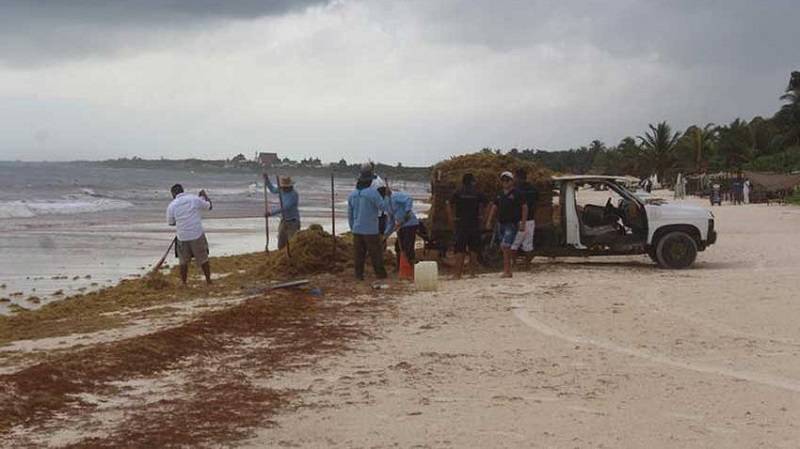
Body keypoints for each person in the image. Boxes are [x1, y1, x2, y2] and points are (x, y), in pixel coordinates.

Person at [166, 184, 213, 286]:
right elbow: (209, 206)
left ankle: (184, 282)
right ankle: (208, 280)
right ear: (183, 190)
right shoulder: (193, 199)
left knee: (183, 261)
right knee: (203, 258)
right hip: (196, 234)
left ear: (173, 194)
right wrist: (204, 196)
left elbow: (171, 223)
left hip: (182, 236)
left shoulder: (172, 205)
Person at [485, 171, 527, 278]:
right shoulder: (499, 194)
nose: (505, 182)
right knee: (504, 247)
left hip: (511, 223)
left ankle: (507, 270)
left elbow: (524, 208)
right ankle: (508, 269)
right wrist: (489, 221)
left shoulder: (517, 193)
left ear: (512, 181)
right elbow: (494, 208)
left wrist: (523, 223)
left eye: (507, 180)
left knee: (505, 246)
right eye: (503, 180)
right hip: (501, 223)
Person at [348, 171, 388, 280]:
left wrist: (352, 227)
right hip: (371, 229)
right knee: (376, 253)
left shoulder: (352, 195)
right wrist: (387, 196)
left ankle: (359, 275)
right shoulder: (372, 193)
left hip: (357, 229)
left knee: (359, 255)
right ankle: (380, 275)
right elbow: (383, 207)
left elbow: (350, 215)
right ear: (369, 182)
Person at [447, 173, 487, 279]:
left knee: (460, 249)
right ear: (472, 181)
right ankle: (472, 273)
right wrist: (483, 216)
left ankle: (457, 274)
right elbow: (489, 202)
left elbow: (448, 203)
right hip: (474, 223)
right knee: (473, 249)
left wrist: (451, 217)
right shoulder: (477, 192)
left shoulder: (458, 192)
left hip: (461, 223)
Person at [383, 187, 420, 268]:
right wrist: (385, 235)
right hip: (401, 225)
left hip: (410, 224)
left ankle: (410, 266)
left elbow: (408, 199)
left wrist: (407, 211)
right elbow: (391, 221)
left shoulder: (396, 196)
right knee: (398, 246)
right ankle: (400, 266)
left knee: (408, 245)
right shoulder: (385, 203)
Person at [264, 175, 300, 250]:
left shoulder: (294, 195)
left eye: (285, 187)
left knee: (292, 243)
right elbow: (272, 190)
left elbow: (285, 207)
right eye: (283, 187)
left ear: (290, 186)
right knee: (281, 242)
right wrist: (267, 180)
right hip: (284, 220)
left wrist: (271, 213)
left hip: (293, 222)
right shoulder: (281, 190)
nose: (283, 188)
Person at [510, 168, 538, 263]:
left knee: (514, 244)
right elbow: (536, 201)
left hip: (520, 220)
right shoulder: (533, 189)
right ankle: (527, 265)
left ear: (518, 178)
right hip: (531, 220)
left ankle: (513, 264)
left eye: (515, 177)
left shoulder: (516, 190)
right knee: (528, 245)